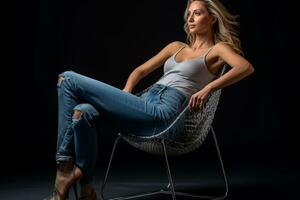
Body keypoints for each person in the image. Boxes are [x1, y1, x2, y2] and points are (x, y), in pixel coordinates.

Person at [44, 0, 254, 199]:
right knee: (82, 112)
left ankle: (64, 169)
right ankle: (87, 189)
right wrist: (126, 91)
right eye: (188, 14)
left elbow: (245, 67)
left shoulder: (217, 50)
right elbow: (140, 70)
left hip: (167, 114)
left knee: (68, 79)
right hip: (145, 102)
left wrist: (209, 87)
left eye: (197, 13)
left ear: (212, 18)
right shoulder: (176, 47)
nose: (190, 19)